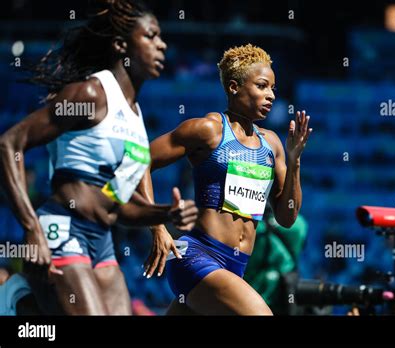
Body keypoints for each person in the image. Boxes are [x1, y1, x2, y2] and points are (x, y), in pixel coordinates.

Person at [0, 0, 197, 315]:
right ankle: (26, 299)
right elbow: (10, 144)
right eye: (151, 36)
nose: (162, 45)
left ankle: (30, 304)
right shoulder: (91, 94)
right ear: (121, 45)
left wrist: (165, 214)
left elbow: (118, 204)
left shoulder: (135, 118)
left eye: (160, 37)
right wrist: (30, 227)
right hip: (63, 230)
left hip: (102, 241)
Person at [143, 44, 313, 315]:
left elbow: (287, 218)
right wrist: (157, 226)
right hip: (197, 257)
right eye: (261, 86)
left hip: (235, 268)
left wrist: (295, 161)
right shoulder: (208, 130)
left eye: (273, 89)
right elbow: (141, 161)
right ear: (234, 87)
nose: (270, 96)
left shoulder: (272, 144)